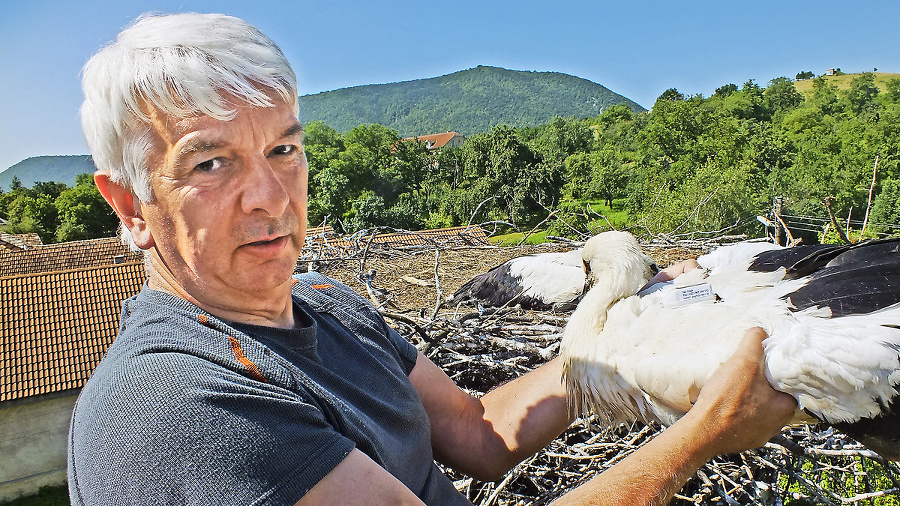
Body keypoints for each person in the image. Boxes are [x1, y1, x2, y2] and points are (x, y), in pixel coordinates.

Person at [67, 12, 797, 505]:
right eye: (210, 164)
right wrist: (702, 436)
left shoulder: (326, 303)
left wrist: (632, 330)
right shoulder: (175, 403)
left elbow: (480, 431)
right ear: (130, 205)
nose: (269, 196)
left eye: (283, 148)